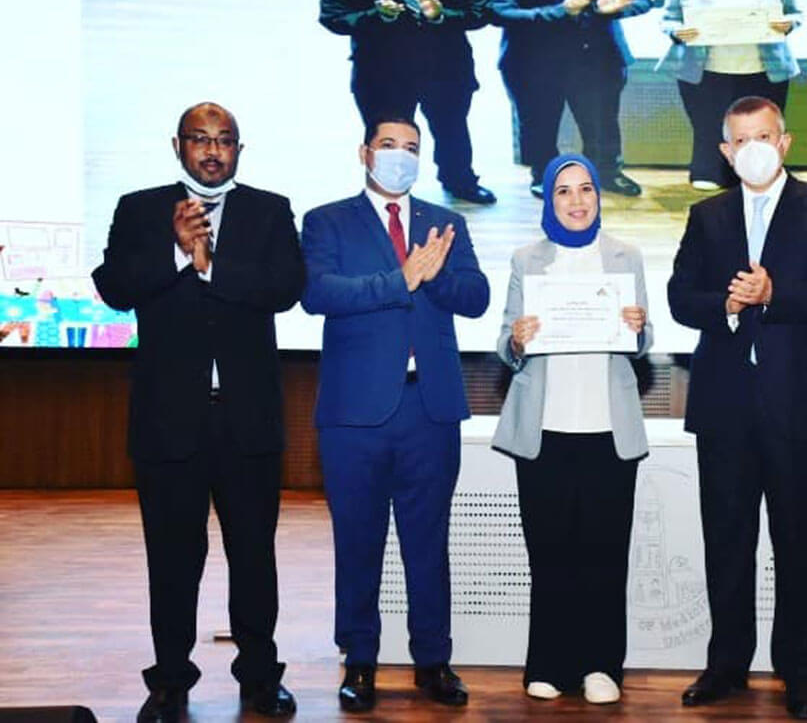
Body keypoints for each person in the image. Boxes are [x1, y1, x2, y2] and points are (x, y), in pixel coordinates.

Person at [91, 102, 304, 722]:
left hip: (248, 422)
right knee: (173, 559)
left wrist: (212, 265)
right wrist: (178, 255)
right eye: (200, 140)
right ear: (177, 145)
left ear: (240, 149)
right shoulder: (140, 208)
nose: (212, 151)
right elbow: (114, 285)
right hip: (167, 421)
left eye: (225, 141)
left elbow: (285, 287)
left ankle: (260, 676)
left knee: (254, 556)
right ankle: (170, 680)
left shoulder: (270, 210)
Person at [667, 96, 807, 719]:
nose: (753, 146)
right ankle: (726, 665)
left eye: (764, 135)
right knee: (726, 540)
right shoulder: (707, 214)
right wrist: (725, 306)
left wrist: (776, 293)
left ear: (785, 142)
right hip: (725, 408)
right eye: (739, 139)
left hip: (800, 404)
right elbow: (679, 296)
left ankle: (800, 670)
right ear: (724, 151)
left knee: (797, 541)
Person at [300, 115, 489, 713]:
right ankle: (359, 662)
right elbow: (318, 294)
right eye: (390, 146)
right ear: (365, 153)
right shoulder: (326, 220)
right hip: (354, 415)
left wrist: (433, 280)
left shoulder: (446, 222)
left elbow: (478, 296)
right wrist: (400, 277)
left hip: (429, 410)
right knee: (357, 542)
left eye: (412, 148)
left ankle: (433, 661)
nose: (401, 157)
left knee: (427, 543)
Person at [492, 154, 652, 705]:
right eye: (564, 191)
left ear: (598, 197)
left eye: (586, 189)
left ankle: (601, 666)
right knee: (551, 554)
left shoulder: (625, 256)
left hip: (608, 431)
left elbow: (644, 340)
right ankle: (550, 663)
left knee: (605, 555)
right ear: (549, 200)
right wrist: (516, 338)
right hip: (545, 432)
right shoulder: (526, 258)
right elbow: (506, 349)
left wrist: (639, 328)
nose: (577, 200)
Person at [319, 0, 497, 204]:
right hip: (381, 77)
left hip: (447, 74)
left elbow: (481, 14)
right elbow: (333, 19)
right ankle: (387, 188)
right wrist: (378, 15)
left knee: (452, 131)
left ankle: (460, 182)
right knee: (387, 137)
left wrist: (441, 16)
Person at [482, 0, 651, 199]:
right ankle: (544, 174)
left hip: (598, 61)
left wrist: (607, 9)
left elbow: (643, 0)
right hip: (533, 65)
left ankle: (607, 172)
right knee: (539, 124)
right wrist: (562, 11)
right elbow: (501, 14)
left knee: (602, 123)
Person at [657, 0, 801, 191]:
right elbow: (668, 18)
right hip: (705, 68)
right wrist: (676, 31)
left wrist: (789, 24)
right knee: (707, 124)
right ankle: (709, 171)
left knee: (763, 126)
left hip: (764, 68)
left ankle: (764, 172)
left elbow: (796, 14)